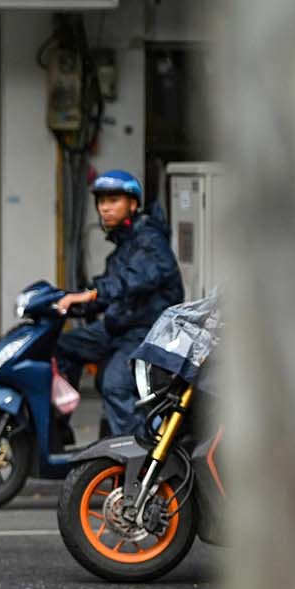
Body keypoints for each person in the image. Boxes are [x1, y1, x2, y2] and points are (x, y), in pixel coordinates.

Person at [53, 170, 184, 437]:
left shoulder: (150, 240)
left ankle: (135, 457)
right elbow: (112, 289)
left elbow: (132, 281)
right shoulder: (126, 243)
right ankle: (58, 428)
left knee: (114, 384)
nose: (104, 208)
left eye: (113, 200)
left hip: (146, 332)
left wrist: (90, 295)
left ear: (133, 204)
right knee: (61, 347)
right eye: (101, 201)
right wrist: (69, 303)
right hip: (120, 325)